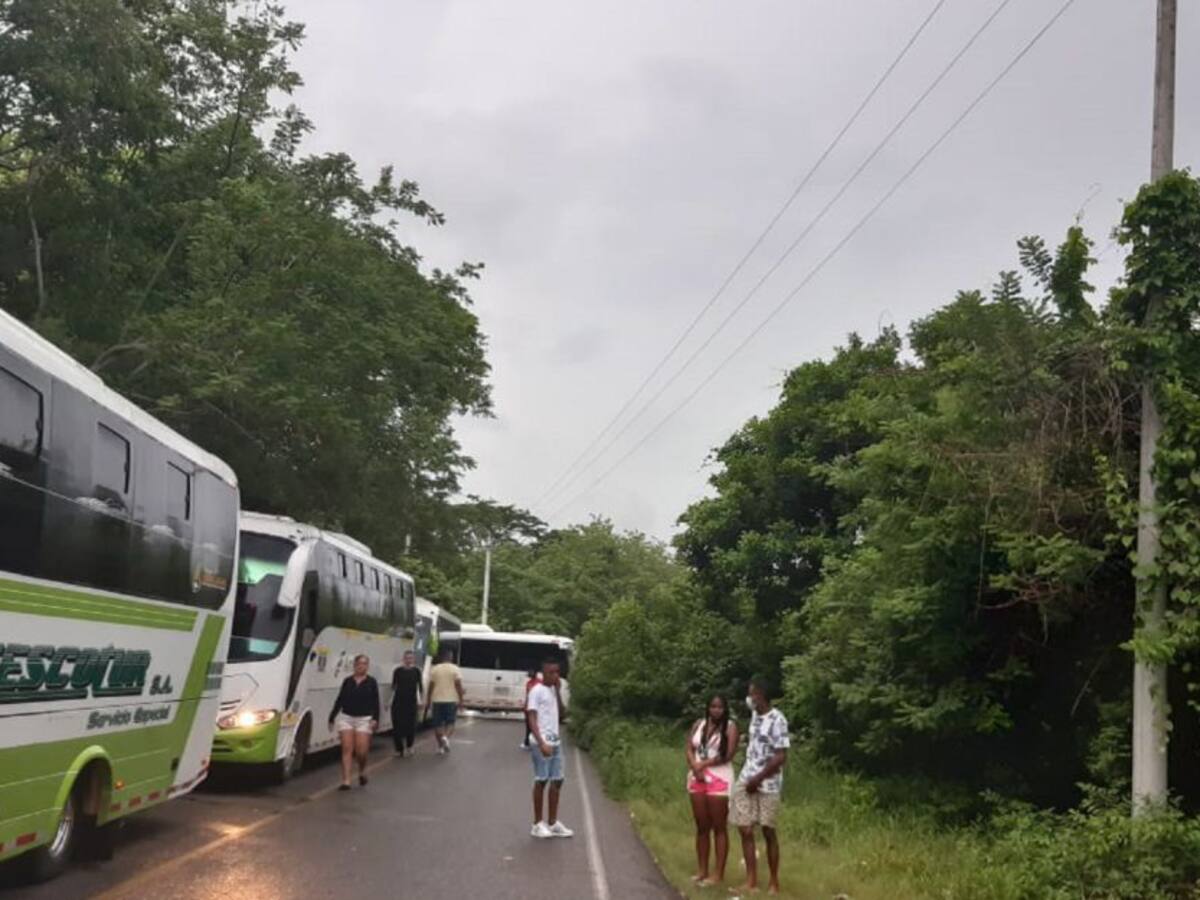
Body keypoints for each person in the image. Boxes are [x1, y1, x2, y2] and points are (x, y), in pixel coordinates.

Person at [730, 679, 790, 895]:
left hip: (768, 783)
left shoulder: (778, 719)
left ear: (761, 694)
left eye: (751, 693)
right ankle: (751, 880)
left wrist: (759, 778)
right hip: (747, 777)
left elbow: (781, 756)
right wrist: (750, 777)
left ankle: (774, 882)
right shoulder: (755, 716)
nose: (749, 698)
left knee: (768, 830)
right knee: (745, 828)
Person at [685, 695, 738, 887]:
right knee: (701, 826)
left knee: (719, 827)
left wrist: (704, 764)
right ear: (707, 708)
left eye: (720, 707)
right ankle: (702, 870)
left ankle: (718, 874)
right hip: (697, 777)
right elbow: (689, 747)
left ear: (725, 709)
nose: (716, 710)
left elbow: (728, 754)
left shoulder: (730, 727)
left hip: (719, 778)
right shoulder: (699, 724)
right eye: (713, 706)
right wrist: (694, 766)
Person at [526, 657, 573, 839]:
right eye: (551, 672)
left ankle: (553, 823)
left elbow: (562, 713)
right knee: (542, 780)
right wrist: (541, 742)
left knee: (558, 780)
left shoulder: (554, 690)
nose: (555, 676)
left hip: (555, 741)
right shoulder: (536, 691)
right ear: (543, 673)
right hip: (541, 743)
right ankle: (537, 824)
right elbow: (531, 718)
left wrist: (559, 692)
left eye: (557, 672)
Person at [328, 654, 380, 790]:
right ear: (355, 665)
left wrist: (376, 719)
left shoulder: (371, 682)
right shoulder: (348, 681)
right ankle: (346, 780)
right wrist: (332, 717)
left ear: (367, 666)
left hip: (364, 719)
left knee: (361, 751)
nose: (361, 666)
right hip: (347, 717)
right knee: (347, 749)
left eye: (364, 664)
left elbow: (376, 702)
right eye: (359, 663)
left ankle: (362, 771)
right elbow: (340, 699)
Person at [424, 647, 464, 754]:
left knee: (438, 724)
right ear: (451, 657)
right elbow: (458, 685)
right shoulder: (455, 669)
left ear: (442, 658)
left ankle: (441, 747)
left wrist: (428, 699)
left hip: (437, 700)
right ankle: (445, 737)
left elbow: (431, 686)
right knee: (450, 723)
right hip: (451, 700)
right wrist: (461, 700)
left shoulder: (435, 669)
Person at [391, 650, 423, 757]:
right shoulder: (398, 671)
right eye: (407, 658)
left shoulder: (416, 671)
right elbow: (393, 687)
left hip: (411, 702)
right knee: (397, 726)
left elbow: (420, 687)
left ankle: (410, 746)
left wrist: (420, 701)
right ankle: (399, 749)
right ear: (403, 659)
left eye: (411, 658)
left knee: (411, 726)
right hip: (398, 702)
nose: (408, 660)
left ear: (413, 659)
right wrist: (389, 701)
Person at [520, 668, 542, 750]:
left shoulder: (540, 682)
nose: (529, 673)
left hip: (536, 708)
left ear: (535, 673)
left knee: (535, 726)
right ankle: (528, 742)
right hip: (529, 708)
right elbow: (528, 696)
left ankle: (530, 743)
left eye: (531, 672)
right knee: (529, 726)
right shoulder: (528, 683)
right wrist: (525, 706)